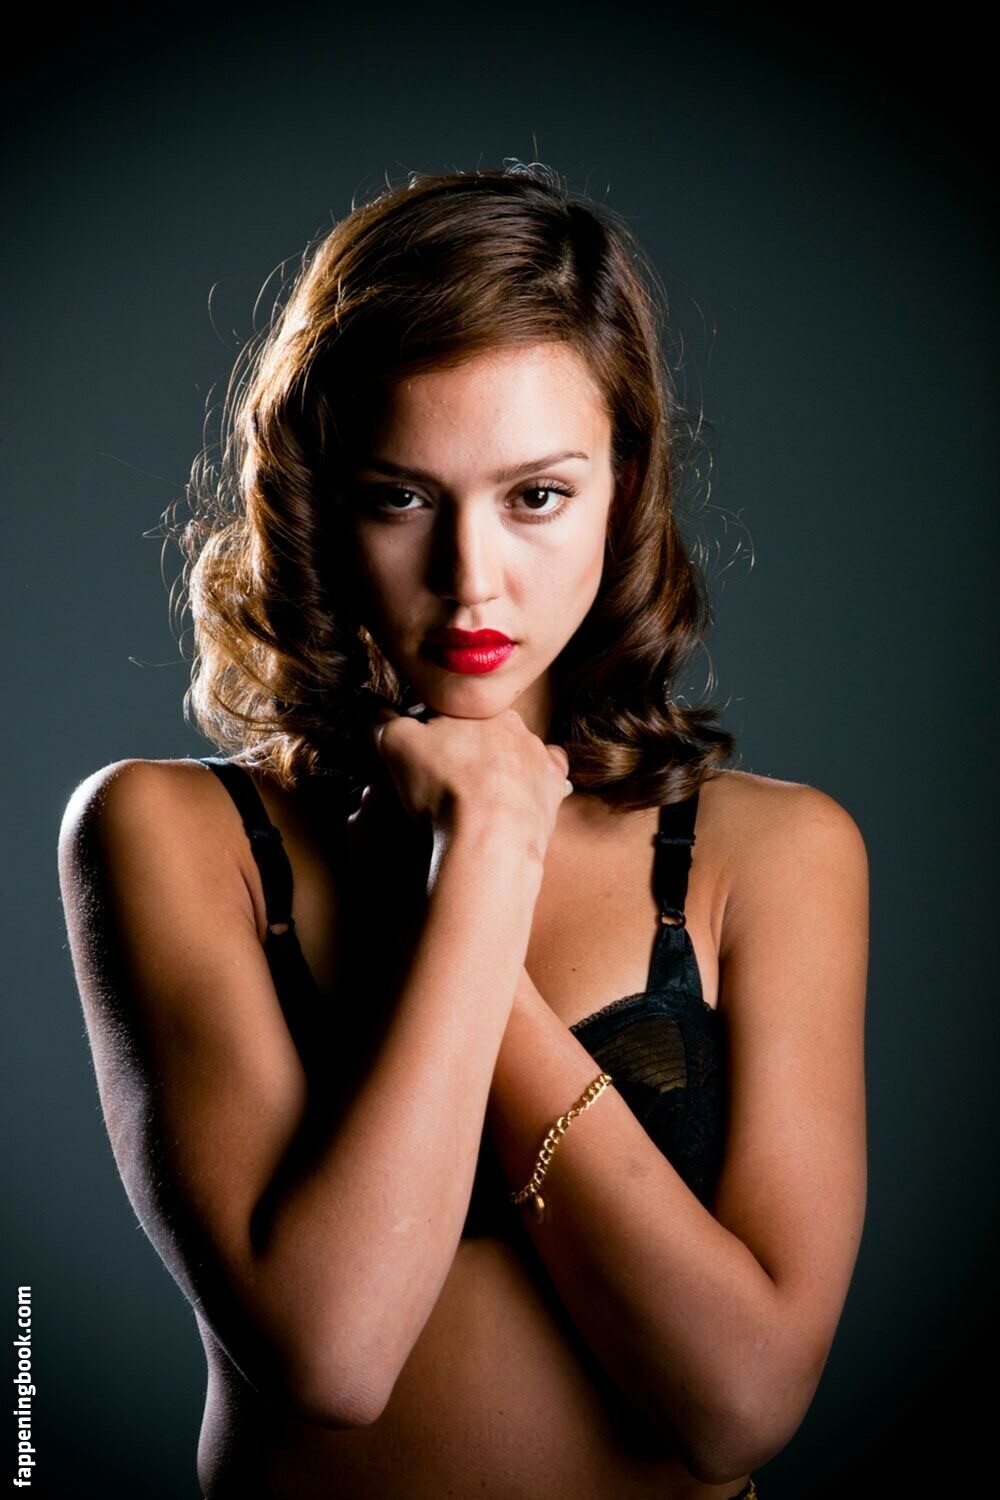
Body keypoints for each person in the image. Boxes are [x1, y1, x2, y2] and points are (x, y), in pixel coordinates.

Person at [57, 162, 869, 1500]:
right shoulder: (170, 834)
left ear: (623, 489)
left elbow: (739, 1407)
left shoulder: (769, 857)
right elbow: (333, 1353)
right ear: (319, 499)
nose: (471, 578)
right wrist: (487, 866)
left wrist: (478, 876)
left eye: (536, 496)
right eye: (401, 496)